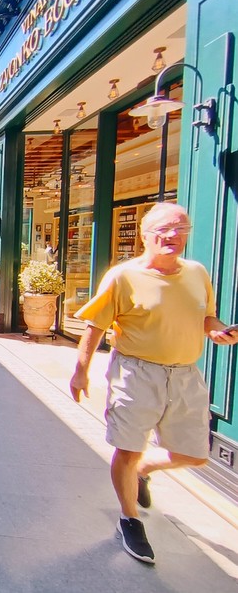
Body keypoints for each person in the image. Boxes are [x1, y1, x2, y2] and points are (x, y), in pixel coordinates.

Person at [69, 202, 238, 564]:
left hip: (185, 374)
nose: (173, 235)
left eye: (181, 229)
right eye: (164, 229)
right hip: (136, 371)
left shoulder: (196, 273)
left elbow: (205, 316)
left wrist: (218, 330)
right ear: (145, 235)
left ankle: (144, 471)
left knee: (194, 455)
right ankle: (129, 518)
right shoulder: (124, 276)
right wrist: (81, 369)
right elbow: (95, 325)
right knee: (127, 449)